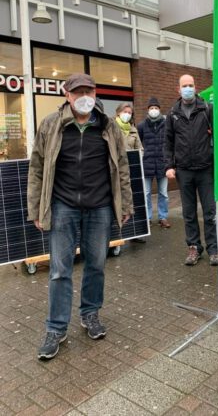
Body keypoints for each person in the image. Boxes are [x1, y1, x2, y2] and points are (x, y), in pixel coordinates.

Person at [28, 73, 134, 360]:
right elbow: (36, 167)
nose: (83, 96)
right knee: (60, 269)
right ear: (67, 95)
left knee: (96, 264)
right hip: (62, 206)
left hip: (99, 206)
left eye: (88, 90)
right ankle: (56, 327)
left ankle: (90, 314)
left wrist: (125, 205)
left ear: (95, 92)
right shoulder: (51, 125)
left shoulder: (108, 126)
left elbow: (121, 167)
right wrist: (36, 207)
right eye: (78, 92)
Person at [164, 74, 218, 266]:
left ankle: (213, 249)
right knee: (189, 213)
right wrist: (169, 165)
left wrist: (214, 157)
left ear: (196, 88)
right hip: (184, 170)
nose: (188, 88)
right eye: (184, 85)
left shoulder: (207, 109)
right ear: (178, 90)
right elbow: (168, 142)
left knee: (210, 212)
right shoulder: (172, 114)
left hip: (205, 169)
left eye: (191, 85)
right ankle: (194, 248)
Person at [138, 97, 170, 228]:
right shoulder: (141, 126)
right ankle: (147, 218)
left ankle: (163, 217)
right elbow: (138, 144)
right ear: (147, 110)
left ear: (160, 109)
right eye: (151, 108)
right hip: (147, 164)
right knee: (146, 194)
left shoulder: (167, 124)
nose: (154, 110)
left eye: (156, 108)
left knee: (163, 193)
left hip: (163, 164)